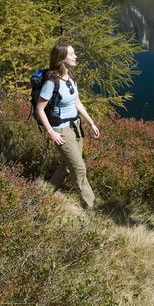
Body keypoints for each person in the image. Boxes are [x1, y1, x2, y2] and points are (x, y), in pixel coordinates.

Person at [34, 43, 100, 210]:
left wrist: (91, 122)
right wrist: (51, 132)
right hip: (61, 131)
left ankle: (45, 193)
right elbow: (39, 108)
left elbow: (77, 101)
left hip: (75, 127)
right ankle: (91, 207)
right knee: (79, 168)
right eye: (71, 54)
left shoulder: (70, 78)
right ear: (62, 59)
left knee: (68, 166)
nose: (75, 56)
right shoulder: (51, 83)